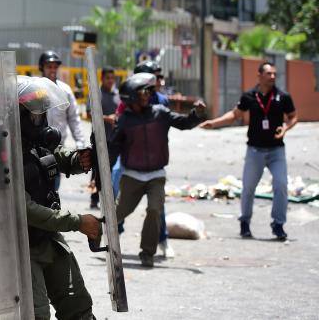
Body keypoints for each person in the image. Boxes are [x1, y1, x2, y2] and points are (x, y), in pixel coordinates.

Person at [16, 76, 98, 320]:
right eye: (34, 113)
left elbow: (54, 156)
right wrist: (77, 222)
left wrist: (76, 160)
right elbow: (25, 209)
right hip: (20, 247)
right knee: (36, 314)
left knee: (78, 307)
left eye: (42, 113)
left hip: (48, 238)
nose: (39, 119)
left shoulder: (36, 142)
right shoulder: (2, 155)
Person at [110, 73, 205, 267]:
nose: (147, 95)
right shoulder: (124, 121)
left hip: (156, 176)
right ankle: (98, 234)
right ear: (130, 96)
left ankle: (147, 253)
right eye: (143, 92)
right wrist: (98, 175)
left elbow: (184, 123)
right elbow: (112, 150)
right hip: (132, 176)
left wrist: (196, 114)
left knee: (154, 210)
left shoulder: (160, 113)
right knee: (117, 214)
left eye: (149, 91)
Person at [200, 61, 298, 240]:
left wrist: (285, 128)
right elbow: (235, 115)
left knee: (281, 185)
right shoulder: (249, 96)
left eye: (275, 74)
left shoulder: (283, 97)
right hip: (255, 150)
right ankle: (244, 222)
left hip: (276, 151)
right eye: (269, 74)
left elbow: (293, 117)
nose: (273, 77)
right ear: (259, 76)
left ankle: (278, 224)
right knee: (248, 188)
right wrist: (214, 123)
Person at [39, 51, 87, 153]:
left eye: (55, 67)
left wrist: (80, 142)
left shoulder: (65, 90)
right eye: (49, 66)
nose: (52, 70)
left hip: (59, 146)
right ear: (41, 67)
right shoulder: (34, 89)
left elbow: (73, 117)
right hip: (38, 146)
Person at [85, 67, 119, 209]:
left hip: (114, 138)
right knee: (97, 168)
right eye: (107, 78)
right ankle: (94, 198)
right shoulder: (96, 93)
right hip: (99, 137)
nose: (110, 81)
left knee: (111, 168)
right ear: (102, 78)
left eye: (113, 78)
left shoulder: (117, 95)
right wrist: (106, 118)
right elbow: (88, 114)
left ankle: (109, 197)